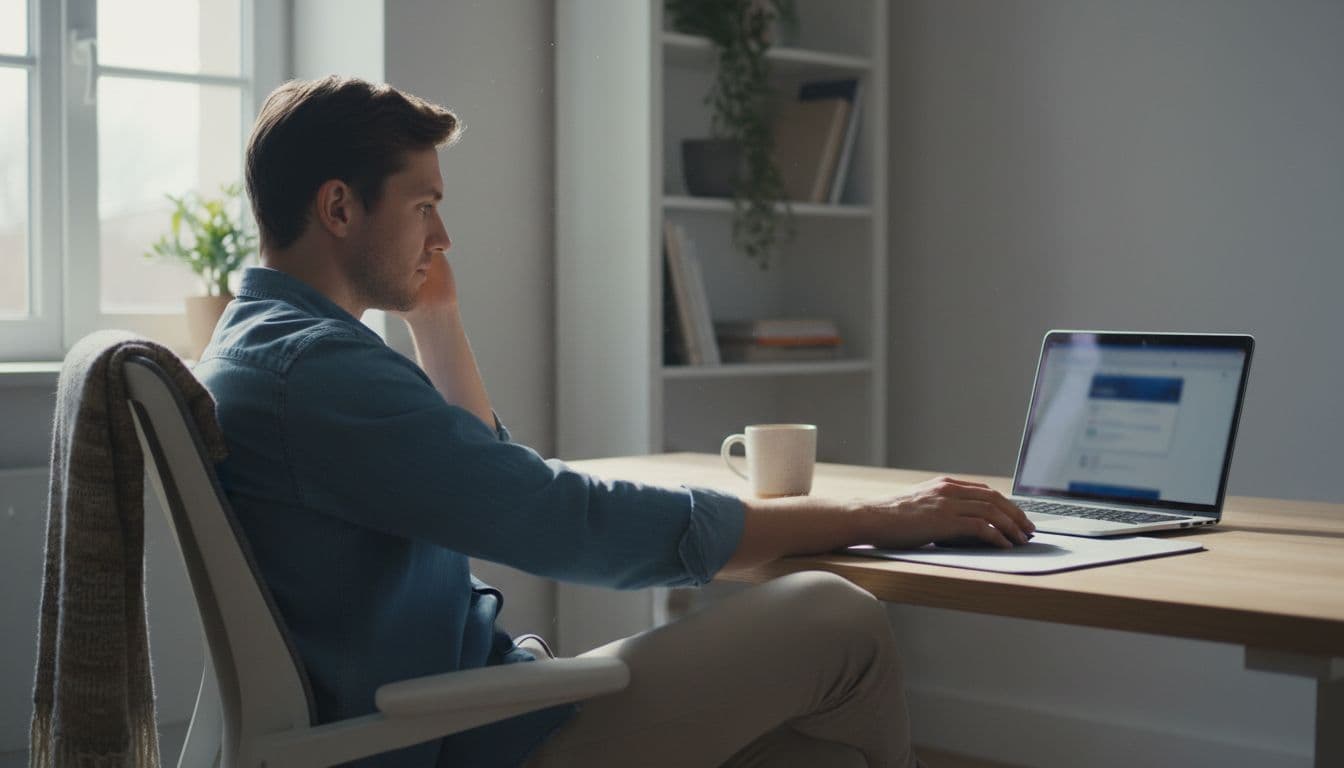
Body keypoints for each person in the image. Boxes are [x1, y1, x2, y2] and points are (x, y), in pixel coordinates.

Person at [197, 76, 1033, 768]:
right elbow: (565, 521)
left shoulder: (263, 348)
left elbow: (478, 479)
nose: (443, 236)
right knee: (840, 619)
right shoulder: (319, 372)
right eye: (424, 206)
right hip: (468, 738)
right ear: (339, 208)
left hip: (458, 708)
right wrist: (877, 518)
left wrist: (435, 322)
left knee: (806, 752)